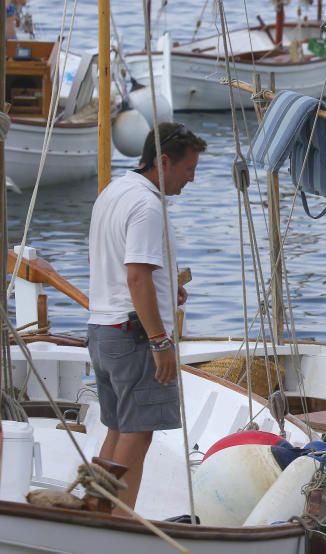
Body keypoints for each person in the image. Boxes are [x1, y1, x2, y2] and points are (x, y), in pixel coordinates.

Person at [87, 122, 206, 511]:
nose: (192, 177)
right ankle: (115, 521)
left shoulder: (115, 192)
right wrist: (161, 341)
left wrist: (168, 285)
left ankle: (94, 510)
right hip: (134, 335)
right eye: (188, 168)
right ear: (164, 161)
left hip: (103, 329)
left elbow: (128, 266)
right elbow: (136, 276)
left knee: (120, 427)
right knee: (138, 433)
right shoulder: (147, 205)